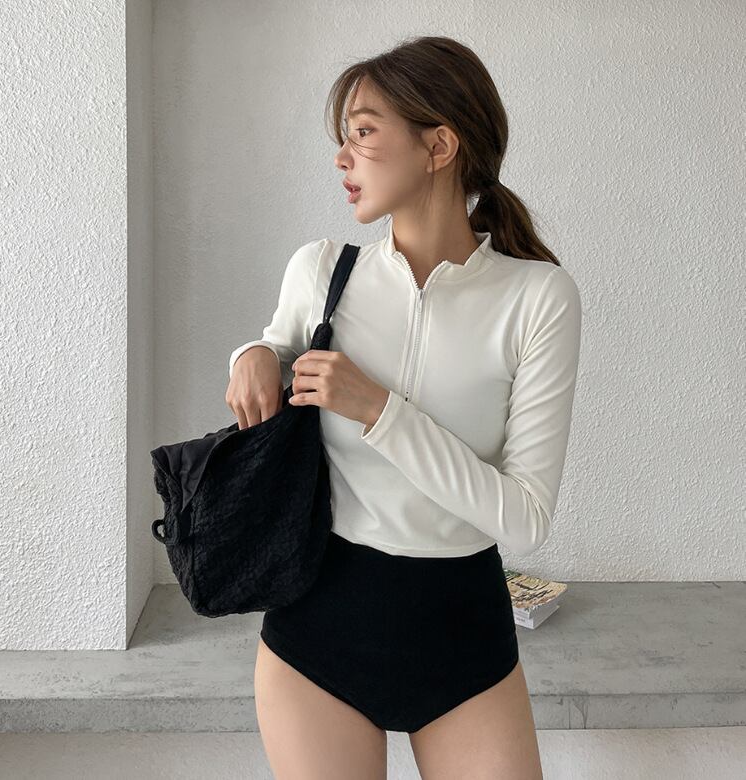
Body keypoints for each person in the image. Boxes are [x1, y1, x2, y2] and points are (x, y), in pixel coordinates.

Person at [225, 35, 581, 780]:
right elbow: (273, 349)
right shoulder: (321, 270)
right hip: (316, 632)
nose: (341, 158)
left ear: (438, 146)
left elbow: (525, 518)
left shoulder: (538, 298)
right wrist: (249, 355)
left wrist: (379, 411)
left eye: (363, 132)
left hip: (465, 639)